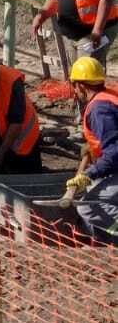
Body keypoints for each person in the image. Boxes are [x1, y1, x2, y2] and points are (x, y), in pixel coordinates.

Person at [59, 55, 118, 242]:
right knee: (97, 192)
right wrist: (90, 148)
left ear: (81, 85)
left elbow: (115, 150)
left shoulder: (100, 109)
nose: (75, 91)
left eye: (75, 86)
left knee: (88, 206)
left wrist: (89, 173)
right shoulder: (110, 97)